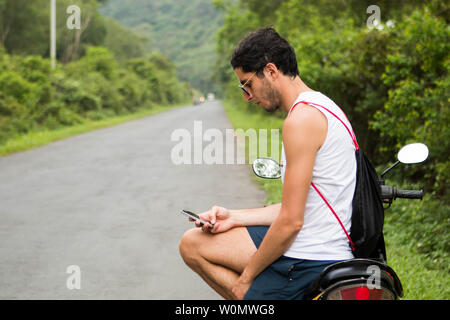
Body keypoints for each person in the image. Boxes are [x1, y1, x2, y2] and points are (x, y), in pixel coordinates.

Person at [179, 27, 357, 300]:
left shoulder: (301, 120)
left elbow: (291, 222)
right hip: (320, 243)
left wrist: (246, 278)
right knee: (192, 242)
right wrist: (233, 217)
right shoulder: (324, 106)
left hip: (309, 258)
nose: (247, 96)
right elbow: (297, 208)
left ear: (271, 71)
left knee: (207, 257)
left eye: (248, 84)